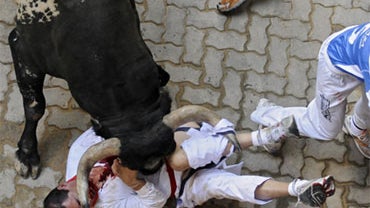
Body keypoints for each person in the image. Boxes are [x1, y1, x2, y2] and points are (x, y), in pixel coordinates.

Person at [44, 117, 335, 208]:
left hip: (171, 150)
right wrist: (133, 183)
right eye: (85, 206)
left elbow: (112, 126)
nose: (88, 198)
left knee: (182, 159)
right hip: (180, 188)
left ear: (64, 184)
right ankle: (300, 189)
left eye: (79, 197)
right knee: (223, 185)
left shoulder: (79, 152)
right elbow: (156, 203)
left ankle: (265, 136)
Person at [250, 22, 370, 159]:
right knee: (325, 129)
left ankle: (356, 127)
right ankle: (269, 118)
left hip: (357, 61)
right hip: (336, 65)